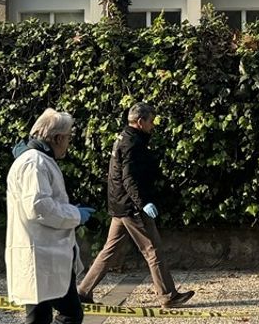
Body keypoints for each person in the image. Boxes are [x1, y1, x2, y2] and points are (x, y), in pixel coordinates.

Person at [5, 108, 92, 324]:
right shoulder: (34, 163)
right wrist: (75, 215)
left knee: (38, 319)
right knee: (71, 315)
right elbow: (39, 207)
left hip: (43, 255)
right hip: (43, 255)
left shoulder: (34, 160)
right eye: (66, 138)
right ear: (55, 138)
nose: (68, 143)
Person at [77, 102, 194, 308]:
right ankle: (168, 295)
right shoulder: (133, 143)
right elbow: (129, 178)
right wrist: (143, 203)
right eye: (150, 121)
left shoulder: (124, 138)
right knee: (152, 248)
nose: (153, 126)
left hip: (120, 204)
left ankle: (83, 291)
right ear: (140, 122)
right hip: (131, 206)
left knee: (110, 250)